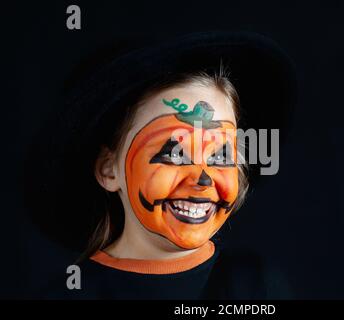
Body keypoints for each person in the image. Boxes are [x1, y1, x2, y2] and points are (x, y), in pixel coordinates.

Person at [25, 31, 297, 299]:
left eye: (221, 157)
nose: (203, 179)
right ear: (109, 170)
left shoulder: (258, 286)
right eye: (175, 154)